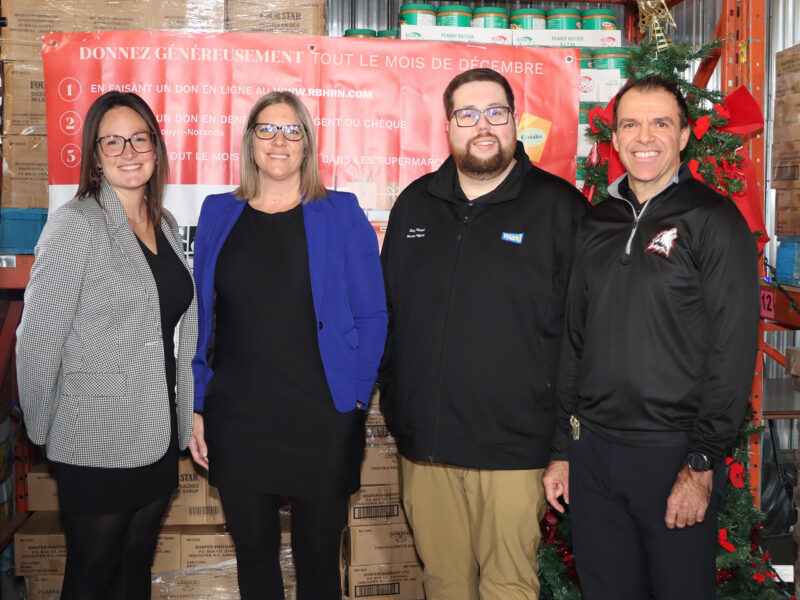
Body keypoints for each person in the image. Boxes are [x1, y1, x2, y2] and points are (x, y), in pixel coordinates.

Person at [542, 74, 759, 599]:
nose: (645, 137)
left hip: (673, 457)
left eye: (661, 123)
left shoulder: (713, 218)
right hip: (593, 454)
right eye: (631, 124)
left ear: (684, 136)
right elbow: (574, 339)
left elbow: (734, 349)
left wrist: (702, 463)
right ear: (613, 139)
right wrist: (562, 451)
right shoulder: (596, 222)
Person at [378, 68, 588, 600]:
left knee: (508, 586)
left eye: (496, 112)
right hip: (427, 445)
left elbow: (583, 336)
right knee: (444, 583)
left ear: (515, 121)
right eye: (467, 115)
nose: (483, 125)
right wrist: (400, 408)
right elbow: (388, 316)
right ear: (448, 126)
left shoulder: (561, 209)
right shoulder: (414, 205)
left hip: (516, 447)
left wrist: (563, 445)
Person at [189, 91, 387, 600]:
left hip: (321, 417)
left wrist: (357, 399)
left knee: (318, 565)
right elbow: (203, 319)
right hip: (237, 418)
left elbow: (373, 314)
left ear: (307, 145)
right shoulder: (216, 214)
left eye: (292, 130)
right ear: (250, 141)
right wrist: (197, 405)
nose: (279, 140)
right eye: (266, 129)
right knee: (255, 562)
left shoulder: (340, 212)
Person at [16, 91, 197, 599]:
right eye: (111, 141)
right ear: (94, 156)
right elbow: (36, 336)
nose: (128, 150)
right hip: (94, 436)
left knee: (134, 571)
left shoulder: (164, 225)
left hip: (155, 433)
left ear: (156, 148)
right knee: (92, 578)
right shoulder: (76, 224)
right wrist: (44, 428)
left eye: (139, 138)